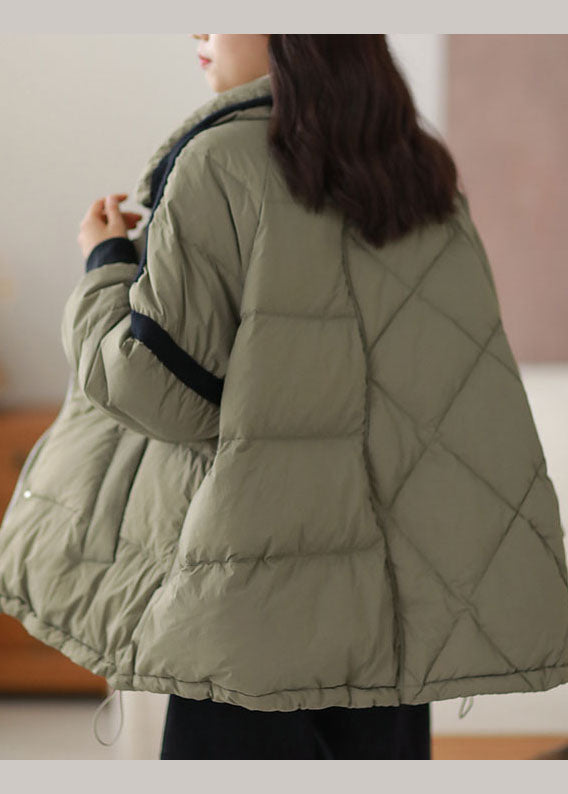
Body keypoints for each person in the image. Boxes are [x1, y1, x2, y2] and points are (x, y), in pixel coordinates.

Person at [3, 34, 566, 761]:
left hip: (249, 606)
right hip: (389, 617)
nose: (199, 29)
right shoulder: (419, 170)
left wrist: (106, 262)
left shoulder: (217, 162)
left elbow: (154, 389)